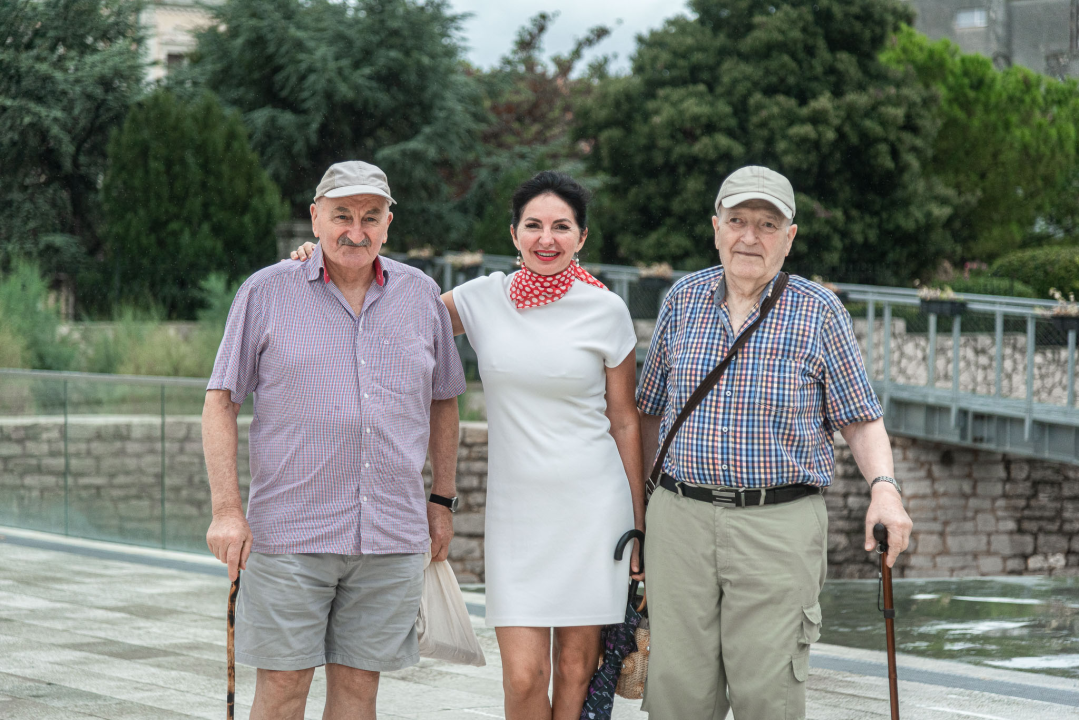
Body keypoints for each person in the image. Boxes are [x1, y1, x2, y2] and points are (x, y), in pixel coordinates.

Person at [292, 170, 646, 720]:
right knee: (526, 676)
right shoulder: (483, 298)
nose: (546, 238)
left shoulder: (606, 310)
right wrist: (322, 261)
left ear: (581, 237)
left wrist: (638, 524)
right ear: (513, 234)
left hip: (596, 511)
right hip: (518, 515)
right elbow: (394, 302)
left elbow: (624, 421)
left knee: (579, 671)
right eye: (533, 225)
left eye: (561, 226)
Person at [636, 165, 914, 719]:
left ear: (789, 238)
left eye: (767, 224)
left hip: (778, 524)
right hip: (678, 518)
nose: (749, 236)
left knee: (769, 695)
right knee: (676, 695)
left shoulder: (820, 312)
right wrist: (639, 511)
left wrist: (885, 490)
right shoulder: (681, 301)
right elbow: (648, 413)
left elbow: (860, 419)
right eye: (737, 220)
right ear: (715, 226)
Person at [203, 160, 466, 720]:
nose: (356, 230)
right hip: (290, 532)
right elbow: (220, 401)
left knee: (358, 693)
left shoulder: (421, 298)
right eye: (342, 215)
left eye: (371, 217)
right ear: (316, 217)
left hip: (389, 535)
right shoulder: (266, 293)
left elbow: (445, 401)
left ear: (389, 224)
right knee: (282, 689)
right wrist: (226, 510)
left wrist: (441, 503)